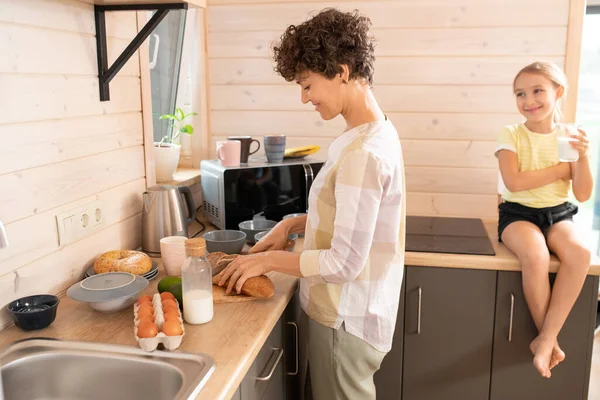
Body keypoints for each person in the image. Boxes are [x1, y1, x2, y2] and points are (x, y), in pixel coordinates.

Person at [217, 8, 406, 399]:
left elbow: (343, 263)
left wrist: (267, 261)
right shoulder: (371, 134)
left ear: (341, 71)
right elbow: (350, 222)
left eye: (307, 85)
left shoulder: (363, 153)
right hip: (352, 314)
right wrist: (290, 225)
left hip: (343, 318)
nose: (304, 98)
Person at [495, 61, 593, 379]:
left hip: (559, 213)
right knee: (535, 255)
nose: (529, 100)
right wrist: (562, 170)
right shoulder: (511, 134)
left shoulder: (571, 136)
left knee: (580, 254)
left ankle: (546, 340)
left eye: (538, 90)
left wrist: (584, 158)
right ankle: (547, 339)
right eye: (520, 94)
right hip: (518, 214)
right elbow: (514, 183)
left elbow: (582, 193)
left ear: (558, 92)